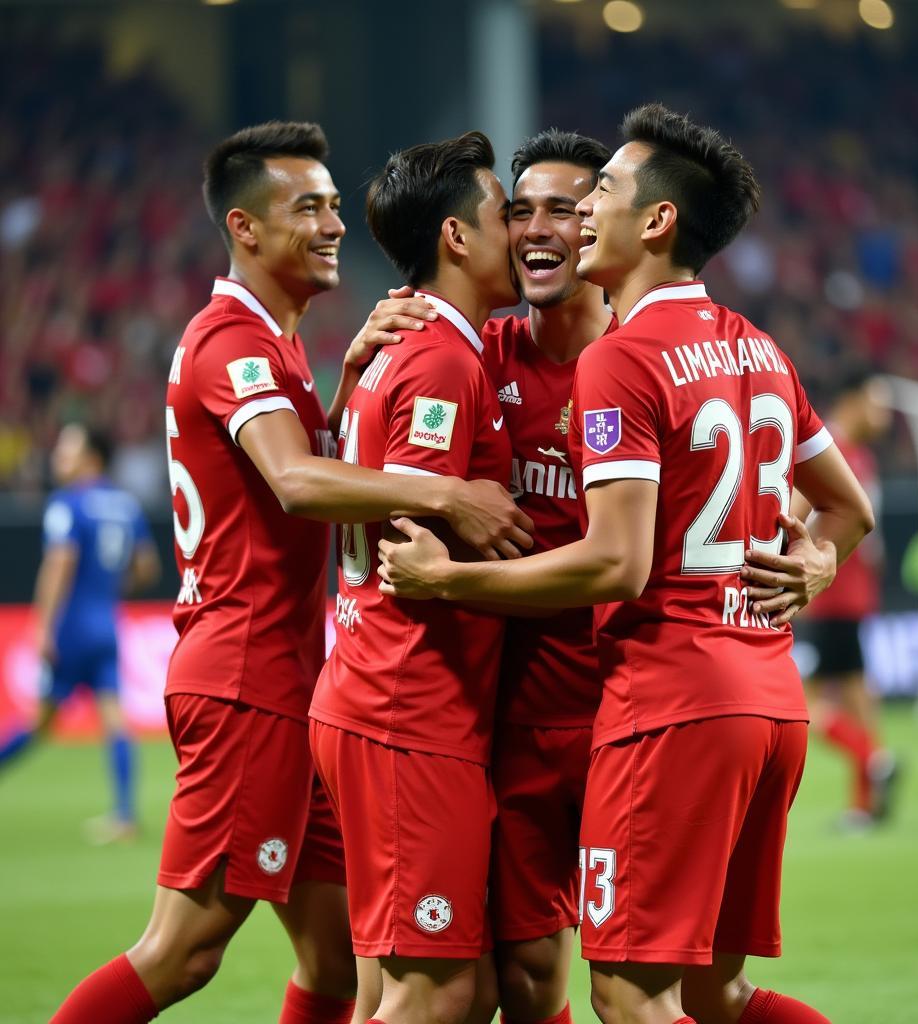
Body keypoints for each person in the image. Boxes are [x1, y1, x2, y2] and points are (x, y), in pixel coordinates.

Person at [377, 103, 876, 1024]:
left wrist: (445, 578)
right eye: (517, 211)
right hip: (617, 704)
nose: (544, 227)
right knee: (657, 988)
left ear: (644, 221)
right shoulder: (743, 347)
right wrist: (814, 558)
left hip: (656, 700)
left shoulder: (625, 358)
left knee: (628, 992)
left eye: (584, 199)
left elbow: (617, 561)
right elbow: (849, 508)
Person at [50, 121, 530, 1024]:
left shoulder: (276, 346)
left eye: (335, 206)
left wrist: (345, 385)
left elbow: (303, 472)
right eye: (305, 208)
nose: (332, 224)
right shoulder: (231, 339)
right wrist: (451, 498)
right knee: (184, 949)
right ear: (244, 228)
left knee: (335, 965)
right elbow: (299, 484)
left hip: (300, 682)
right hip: (246, 676)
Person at [308, 130, 521, 1024]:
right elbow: (410, 536)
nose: (523, 231)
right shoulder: (438, 356)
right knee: (434, 994)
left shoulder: (400, 342)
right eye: (505, 214)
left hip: (381, 697)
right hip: (407, 707)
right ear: (458, 238)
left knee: (387, 988)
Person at [484, 128, 611, 1024]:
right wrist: (350, 375)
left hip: (632, 715)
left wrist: (816, 550)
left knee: (651, 988)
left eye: (560, 210)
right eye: (518, 210)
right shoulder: (474, 353)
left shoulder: (653, 356)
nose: (535, 227)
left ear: (598, 224)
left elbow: (808, 498)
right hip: (514, 715)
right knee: (526, 979)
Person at [0, 422, 159, 844]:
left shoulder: (68, 503)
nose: (58, 457)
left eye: (67, 449)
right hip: (106, 622)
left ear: (91, 457)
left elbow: (59, 564)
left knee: (38, 722)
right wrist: (108, 589)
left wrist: (42, 625)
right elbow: (147, 567)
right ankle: (125, 814)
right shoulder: (125, 505)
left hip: (71, 626)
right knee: (113, 719)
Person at [795, 369, 898, 829]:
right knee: (855, 698)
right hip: (836, 598)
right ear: (852, 400)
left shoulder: (852, 454)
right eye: (877, 403)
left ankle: (873, 761)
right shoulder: (828, 449)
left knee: (804, 707)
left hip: (832, 600)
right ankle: (865, 800)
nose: (885, 415)